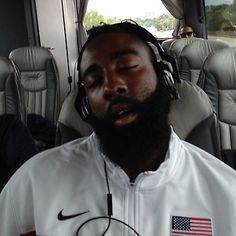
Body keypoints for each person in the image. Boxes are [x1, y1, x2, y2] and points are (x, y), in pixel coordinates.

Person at [0, 21, 236, 236]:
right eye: (94, 81)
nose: (111, 86)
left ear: (164, 77)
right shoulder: (33, 184)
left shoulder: (226, 193)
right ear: (85, 106)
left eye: (127, 66)